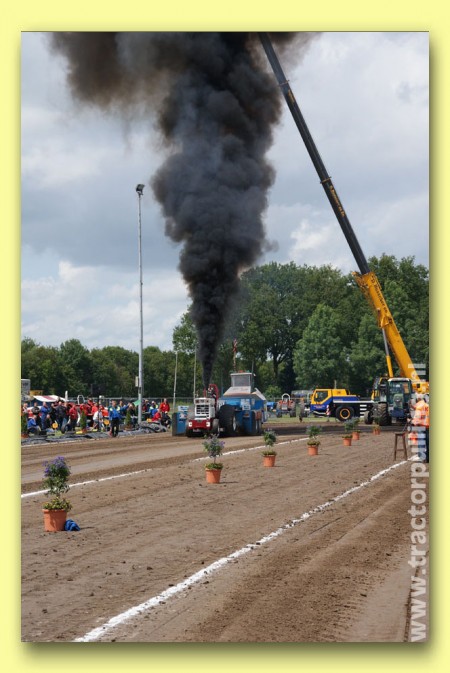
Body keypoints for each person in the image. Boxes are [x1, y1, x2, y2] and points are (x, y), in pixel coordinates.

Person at [412, 393, 429, 463]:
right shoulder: (427, 405)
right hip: (428, 426)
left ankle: (422, 458)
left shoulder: (419, 406)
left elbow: (417, 418)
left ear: (418, 399)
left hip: (421, 426)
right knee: (428, 443)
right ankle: (428, 458)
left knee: (421, 443)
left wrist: (413, 422)